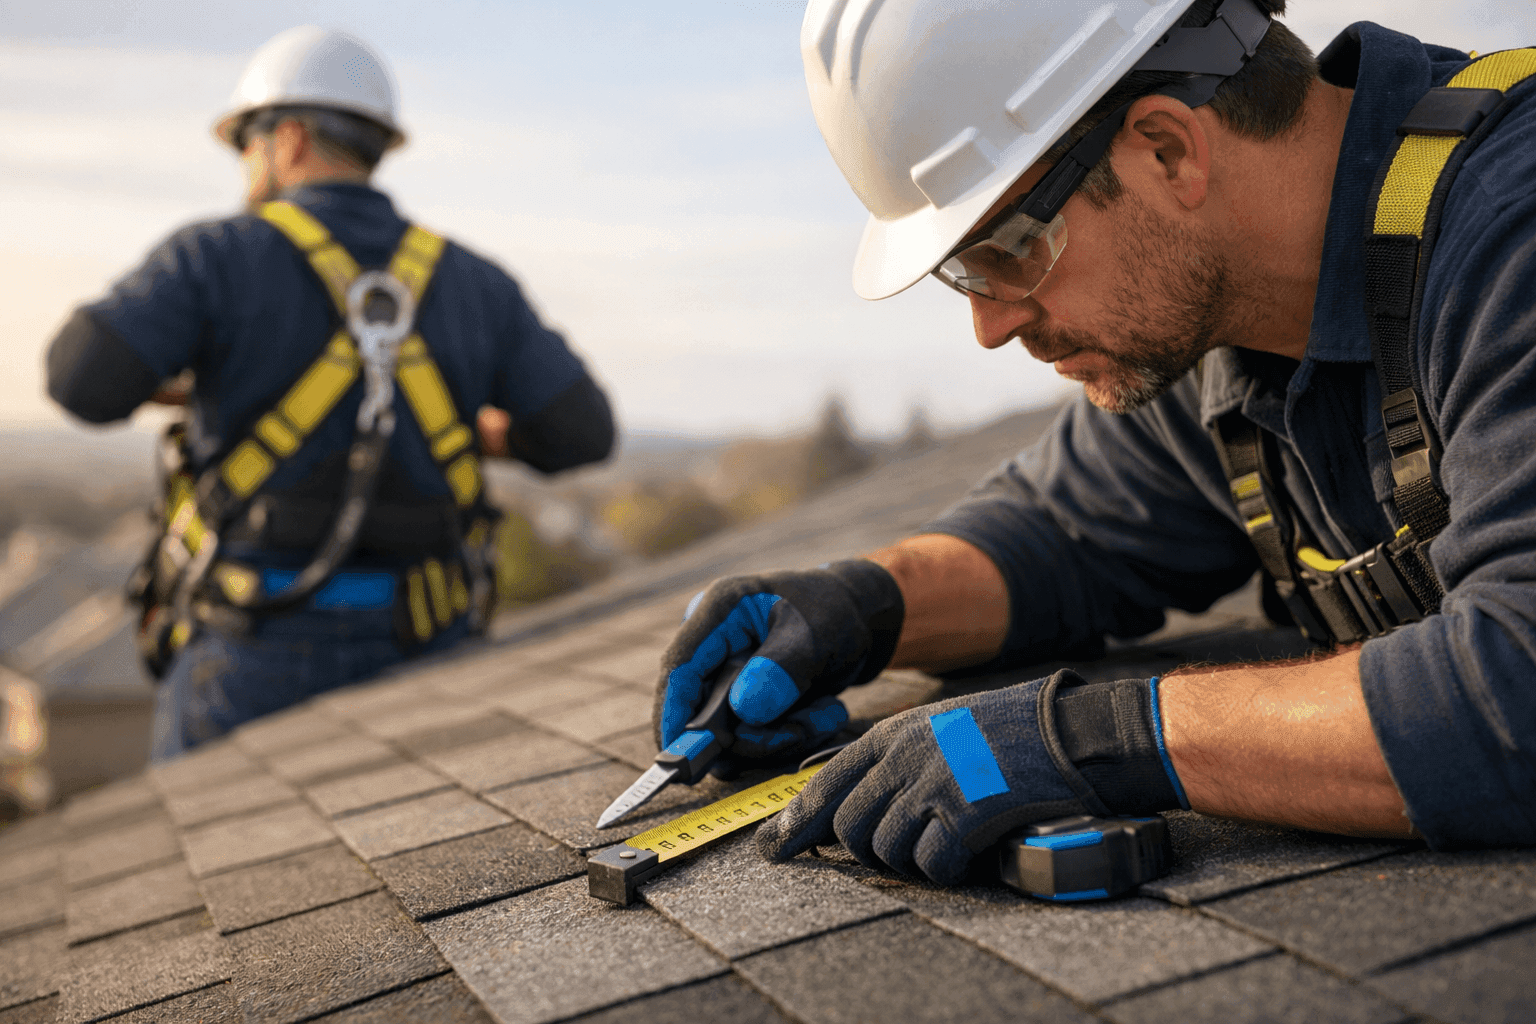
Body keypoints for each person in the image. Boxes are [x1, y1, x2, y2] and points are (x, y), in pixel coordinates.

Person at [651, 0, 1536, 885]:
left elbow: (1519, 689)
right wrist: (862, 606)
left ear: (1169, 150)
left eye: (1005, 252)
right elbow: (1062, 533)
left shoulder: (1511, 225)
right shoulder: (1222, 329)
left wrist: (1102, 738)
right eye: (961, 274)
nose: (990, 327)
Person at [47, 26, 613, 760]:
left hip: (252, 659)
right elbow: (581, 432)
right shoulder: (473, 282)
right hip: (430, 649)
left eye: (245, 145)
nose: (244, 166)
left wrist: (182, 382)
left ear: (287, 140)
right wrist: (472, 432)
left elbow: (79, 380)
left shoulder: (218, 257)